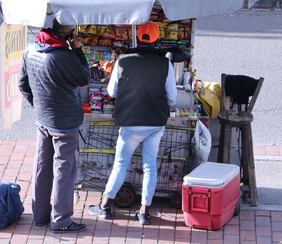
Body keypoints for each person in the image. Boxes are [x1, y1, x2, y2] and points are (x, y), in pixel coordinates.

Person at [88, 22, 177, 225]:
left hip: (129, 122)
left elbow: (112, 92)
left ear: (136, 39)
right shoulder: (165, 64)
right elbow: (171, 97)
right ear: (156, 40)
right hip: (155, 122)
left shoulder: (123, 61)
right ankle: (144, 211)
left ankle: (104, 206)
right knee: (150, 165)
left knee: (121, 164)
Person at [18, 19, 89, 233]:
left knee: (41, 166)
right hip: (64, 123)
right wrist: (78, 51)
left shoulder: (30, 49)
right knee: (64, 171)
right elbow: (84, 77)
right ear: (68, 32)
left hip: (43, 118)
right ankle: (61, 220)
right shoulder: (64, 56)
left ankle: (40, 215)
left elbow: (23, 84)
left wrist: (37, 105)